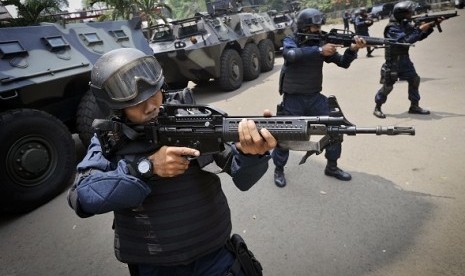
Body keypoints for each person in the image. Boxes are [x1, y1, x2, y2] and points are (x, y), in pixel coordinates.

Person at [67, 48, 277, 276]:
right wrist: (144, 168)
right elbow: (82, 198)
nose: (150, 107)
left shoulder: (195, 119)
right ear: (115, 107)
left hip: (214, 257)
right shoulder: (110, 138)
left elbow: (242, 178)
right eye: (136, 103)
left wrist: (252, 155)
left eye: (153, 95)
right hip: (154, 267)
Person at [271, 8, 367, 187]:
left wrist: (353, 49)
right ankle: (279, 168)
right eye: (314, 27)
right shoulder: (292, 39)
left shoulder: (322, 41)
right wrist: (319, 51)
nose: (318, 30)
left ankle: (332, 166)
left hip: (314, 96)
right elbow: (290, 55)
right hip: (293, 99)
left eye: (319, 26)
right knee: (285, 135)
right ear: (304, 27)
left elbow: (343, 63)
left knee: (335, 129)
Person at [373, 0, 442, 118]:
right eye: (408, 13)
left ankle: (414, 106)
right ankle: (377, 107)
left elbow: (417, 37)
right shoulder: (391, 28)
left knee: (414, 79)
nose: (411, 14)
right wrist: (421, 28)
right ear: (401, 14)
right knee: (388, 86)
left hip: (405, 60)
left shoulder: (403, 24)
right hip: (393, 61)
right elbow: (405, 41)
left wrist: (430, 26)